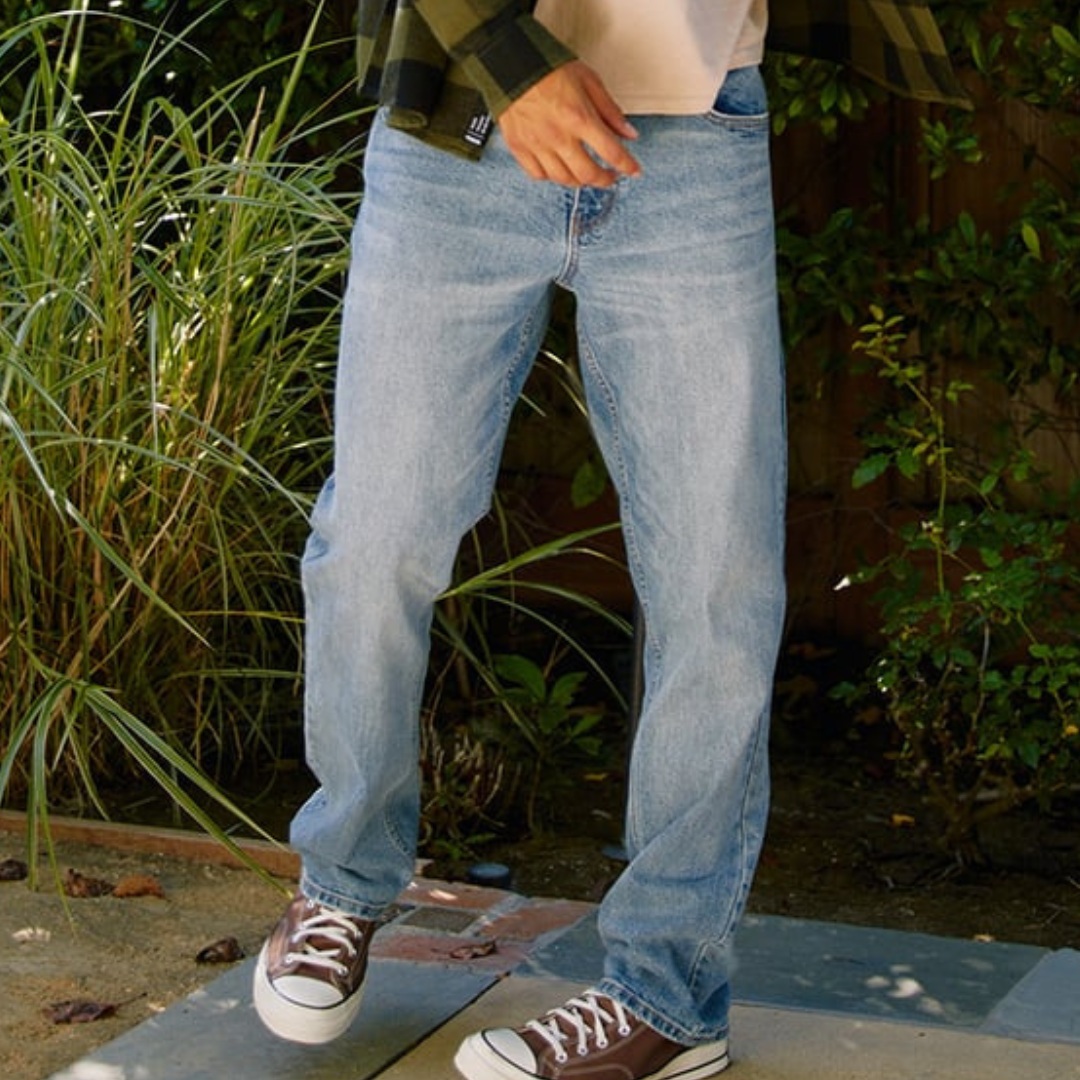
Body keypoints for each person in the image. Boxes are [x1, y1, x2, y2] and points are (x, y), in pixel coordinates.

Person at [251, 3, 966, 1078]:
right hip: (462, 131)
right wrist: (505, 55)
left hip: (696, 130)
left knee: (717, 584)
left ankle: (666, 998)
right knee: (378, 534)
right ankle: (341, 883)